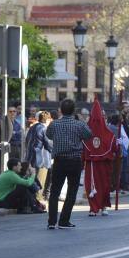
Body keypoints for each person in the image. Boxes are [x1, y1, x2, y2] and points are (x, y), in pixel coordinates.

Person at [46, 98, 92, 229]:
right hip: (74, 160)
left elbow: (48, 135)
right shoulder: (79, 124)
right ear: (74, 110)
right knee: (72, 191)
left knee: (54, 191)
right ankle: (64, 220)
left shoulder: (54, 124)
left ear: (61, 110)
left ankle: (51, 221)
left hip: (59, 160)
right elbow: (89, 135)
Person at [82, 99, 117, 217]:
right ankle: (101, 207)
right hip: (99, 164)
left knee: (92, 184)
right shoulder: (108, 133)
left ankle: (95, 208)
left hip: (93, 163)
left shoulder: (86, 131)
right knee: (102, 184)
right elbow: (114, 148)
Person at [25, 111, 53, 206]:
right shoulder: (44, 129)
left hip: (31, 157)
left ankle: (33, 200)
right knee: (40, 182)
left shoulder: (33, 127)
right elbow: (48, 144)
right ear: (47, 119)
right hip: (41, 159)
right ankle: (38, 202)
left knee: (32, 180)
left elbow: (26, 141)